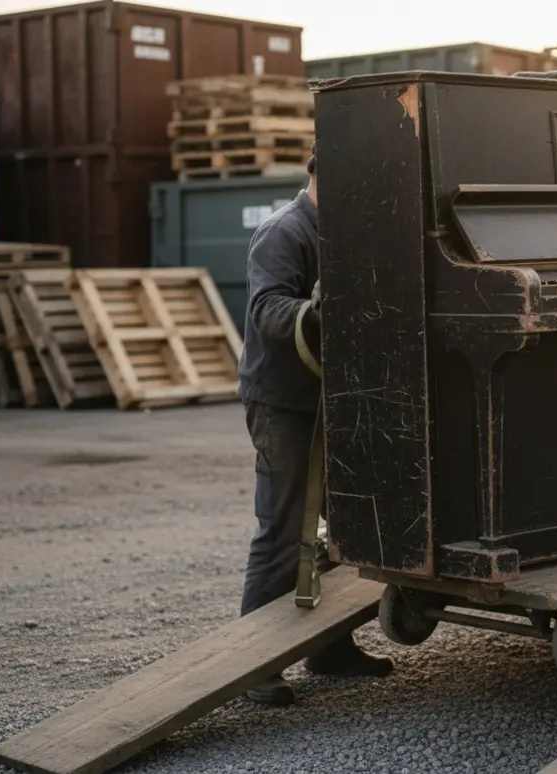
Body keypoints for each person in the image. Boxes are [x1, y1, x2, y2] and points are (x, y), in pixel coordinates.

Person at [236, 153, 394, 706]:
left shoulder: (345, 232)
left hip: (332, 402)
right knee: (282, 529)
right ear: (324, 173)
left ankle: (328, 647)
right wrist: (317, 313)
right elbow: (268, 309)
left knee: (345, 526)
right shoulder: (283, 232)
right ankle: (255, 662)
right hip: (284, 404)